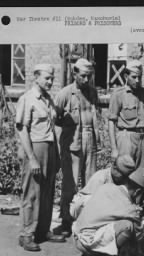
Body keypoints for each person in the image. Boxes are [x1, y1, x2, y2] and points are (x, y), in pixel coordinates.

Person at [16, 64, 66, 252]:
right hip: (34, 149)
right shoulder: (27, 99)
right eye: (47, 78)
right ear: (36, 77)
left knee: (47, 192)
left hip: (50, 148)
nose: (50, 82)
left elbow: (52, 128)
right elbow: (22, 130)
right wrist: (32, 158)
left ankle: (43, 231)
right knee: (32, 193)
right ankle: (26, 234)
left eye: (52, 78)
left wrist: (57, 155)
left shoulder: (47, 99)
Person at [53, 58, 99, 237]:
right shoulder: (65, 94)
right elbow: (54, 120)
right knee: (70, 184)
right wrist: (58, 147)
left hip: (91, 139)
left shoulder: (92, 92)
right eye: (83, 76)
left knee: (91, 182)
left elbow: (95, 114)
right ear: (75, 73)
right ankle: (65, 220)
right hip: (72, 141)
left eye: (89, 76)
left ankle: (86, 220)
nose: (86, 80)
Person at [73, 168, 144, 256]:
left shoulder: (106, 187)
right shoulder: (129, 208)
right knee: (128, 225)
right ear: (138, 191)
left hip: (77, 239)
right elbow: (138, 235)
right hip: (88, 243)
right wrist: (140, 250)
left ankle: (94, 255)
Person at [108, 59, 144, 168]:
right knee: (124, 174)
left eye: (140, 77)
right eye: (134, 77)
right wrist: (114, 148)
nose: (137, 80)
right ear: (126, 76)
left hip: (143, 138)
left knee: (141, 176)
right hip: (126, 138)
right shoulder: (118, 94)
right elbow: (111, 122)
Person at [69, 155, 136, 220]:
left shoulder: (124, 180)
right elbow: (93, 204)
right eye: (123, 175)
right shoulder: (100, 177)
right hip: (84, 206)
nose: (125, 179)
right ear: (114, 168)